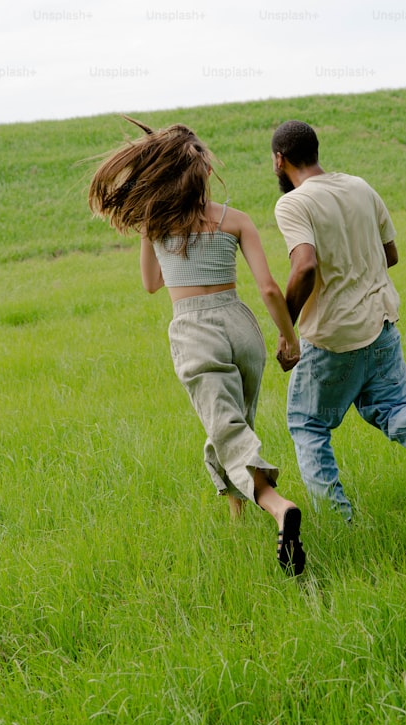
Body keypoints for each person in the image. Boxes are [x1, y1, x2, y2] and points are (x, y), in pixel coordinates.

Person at [89, 118, 305, 575]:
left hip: (195, 332)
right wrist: (290, 336)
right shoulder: (237, 220)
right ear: (205, 172)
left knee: (227, 431)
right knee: (233, 424)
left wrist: (158, 237)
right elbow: (267, 288)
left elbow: (151, 284)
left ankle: (278, 506)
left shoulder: (156, 224)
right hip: (241, 326)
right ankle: (236, 516)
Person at [270, 119, 406, 522]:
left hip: (335, 338)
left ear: (279, 160)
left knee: (308, 425)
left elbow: (304, 266)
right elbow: (391, 254)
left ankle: (340, 524)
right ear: (316, 151)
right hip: (382, 324)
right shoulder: (360, 186)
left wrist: (288, 330)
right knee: (391, 411)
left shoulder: (293, 203)